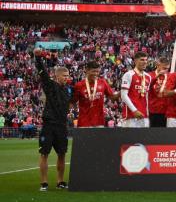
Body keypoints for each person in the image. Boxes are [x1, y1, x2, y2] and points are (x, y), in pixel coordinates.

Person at [33, 49, 71, 191]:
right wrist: (38, 59)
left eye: (68, 75)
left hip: (61, 126)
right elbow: (42, 73)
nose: (67, 78)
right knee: (44, 154)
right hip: (49, 125)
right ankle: (44, 183)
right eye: (64, 76)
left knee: (62, 154)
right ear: (57, 76)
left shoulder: (67, 90)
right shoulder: (50, 86)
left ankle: (60, 181)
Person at [72, 61, 119, 128]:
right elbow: (73, 101)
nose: (96, 74)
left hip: (99, 121)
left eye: (97, 71)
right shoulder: (79, 85)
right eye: (93, 71)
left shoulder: (102, 82)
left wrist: (123, 91)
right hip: (84, 122)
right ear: (87, 70)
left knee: (98, 138)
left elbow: (112, 97)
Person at [120, 52, 152, 128]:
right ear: (135, 61)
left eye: (146, 60)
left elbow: (146, 97)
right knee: (130, 139)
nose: (145, 62)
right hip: (131, 115)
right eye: (142, 60)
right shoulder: (128, 74)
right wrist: (134, 110)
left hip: (144, 115)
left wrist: (148, 112)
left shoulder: (148, 77)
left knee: (144, 139)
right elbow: (123, 95)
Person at [148, 57, 171, 128]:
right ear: (158, 65)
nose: (165, 71)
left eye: (167, 68)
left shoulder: (170, 76)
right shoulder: (149, 75)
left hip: (166, 111)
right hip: (153, 110)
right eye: (164, 68)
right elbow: (146, 88)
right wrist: (156, 77)